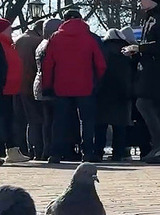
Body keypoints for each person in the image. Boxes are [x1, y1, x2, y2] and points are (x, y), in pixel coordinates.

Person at [41, 10, 107, 164]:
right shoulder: (89, 38)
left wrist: (47, 85)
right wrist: (97, 82)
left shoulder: (55, 38)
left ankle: (56, 153)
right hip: (85, 86)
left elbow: (48, 64)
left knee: (60, 121)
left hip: (61, 86)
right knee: (87, 121)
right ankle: (87, 153)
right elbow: (101, 64)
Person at [124, 0, 160, 164]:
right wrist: (138, 51)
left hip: (158, 71)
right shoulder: (152, 18)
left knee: (145, 103)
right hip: (152, 69)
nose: (139, 1)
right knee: (158, 107)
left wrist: (139, 48)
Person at [96, 27, 137, 161]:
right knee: (120, 126)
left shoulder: (101, 50)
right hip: (122, 93)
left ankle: (98, 151)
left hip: (103, 92)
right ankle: (118, 153)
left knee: (101, 125)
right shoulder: (127, 52)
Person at [11, 21, 43, 161]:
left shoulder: (18, 39)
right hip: (29, 85)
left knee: (19, 120)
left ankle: (21, 149)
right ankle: (36, 150)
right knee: (35, 120)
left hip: (15, 85)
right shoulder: (38, 42)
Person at [32, 18, 62, 161]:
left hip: (39, 85)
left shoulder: (40, 44)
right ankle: (50, 149)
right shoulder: (52, 44)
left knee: (45, 121)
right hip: (50, 86)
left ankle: (43, 150)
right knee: (54, 121)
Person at [0, 18, 23, 166]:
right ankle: (10, 150)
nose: (12, 31)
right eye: (9, 28)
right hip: (3, 88)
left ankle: (12, 150)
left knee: (8, 120)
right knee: (5, 120)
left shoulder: (8, 44)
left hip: (8, 88)